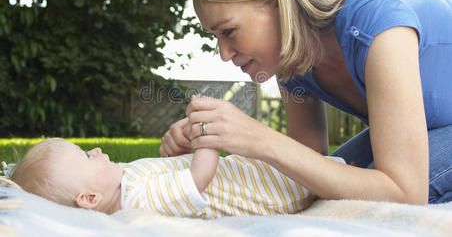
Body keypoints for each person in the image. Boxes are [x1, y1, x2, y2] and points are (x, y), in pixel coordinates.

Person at [160, 0, 452, 204]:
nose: (224, 54)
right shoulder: (293, 66)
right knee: (331, 188)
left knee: (375, 194)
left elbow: (405, 194)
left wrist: (261, 137)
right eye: (216, 37)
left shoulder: (378, 26)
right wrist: (209, 146)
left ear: (277, 2)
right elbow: (306, 167)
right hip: (438, 128)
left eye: (228, 31)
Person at [7, 138, 344, 218]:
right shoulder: (138, 201)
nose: (95, 149)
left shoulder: (120, 182)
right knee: (354, 170)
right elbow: (199, 177)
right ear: (89, 198)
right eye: (86, 157)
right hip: (274, 190)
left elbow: (170, 171)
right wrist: (207, 135)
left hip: (261, 173)